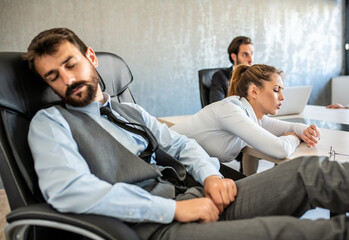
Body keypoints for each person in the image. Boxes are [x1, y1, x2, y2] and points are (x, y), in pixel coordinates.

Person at [25, 28, 349, 240]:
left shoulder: (131, 112)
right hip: (153, 226)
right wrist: (173, 210)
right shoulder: (51, 123)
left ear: (90, 58)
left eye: (71, 64)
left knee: (308, 172)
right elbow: (68, 190)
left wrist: (209, 176)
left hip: (192, 196)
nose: (67, 80)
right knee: (300, 233)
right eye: (53, 76)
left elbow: (180, 143)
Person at [173, 64, 321, 164]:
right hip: (162, 161)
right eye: (276, 90)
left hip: (184, 164)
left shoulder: (254, 117)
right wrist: (294, 137)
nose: (282, 97)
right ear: (254, 91)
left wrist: (307, 131)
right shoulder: (231, 110)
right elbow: (280, 149)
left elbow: (292, 126)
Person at [209, 36, 254, 103]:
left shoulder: (256, 76)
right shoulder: (220, 76)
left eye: (252, 54)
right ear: (234, 57)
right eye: (245, 55)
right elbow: (217, 105)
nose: (250, 59)